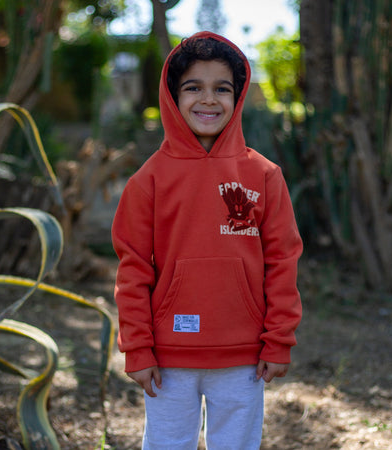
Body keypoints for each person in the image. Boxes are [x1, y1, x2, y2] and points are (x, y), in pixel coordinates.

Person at [112, 31, 303, 449]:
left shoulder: (264, 175)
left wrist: (278, 340)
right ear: (171, 95)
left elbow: (282, 260)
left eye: (222, 88)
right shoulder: (148, 181)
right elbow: (133, 271)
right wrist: (138, 349)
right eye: (193, 87)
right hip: (169, 357)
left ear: (238, 97)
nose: (208, 99)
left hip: (244, 358)